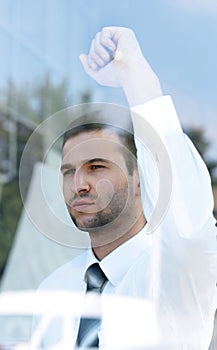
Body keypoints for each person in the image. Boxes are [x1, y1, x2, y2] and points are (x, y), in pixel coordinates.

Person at [38, 27, 217, 349]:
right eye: (68, 171)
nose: (78, 185)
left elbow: (188, 227)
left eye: (97, 167)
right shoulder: (52, 290)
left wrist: (137, 80)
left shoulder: (176, 273)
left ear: (141, 179)